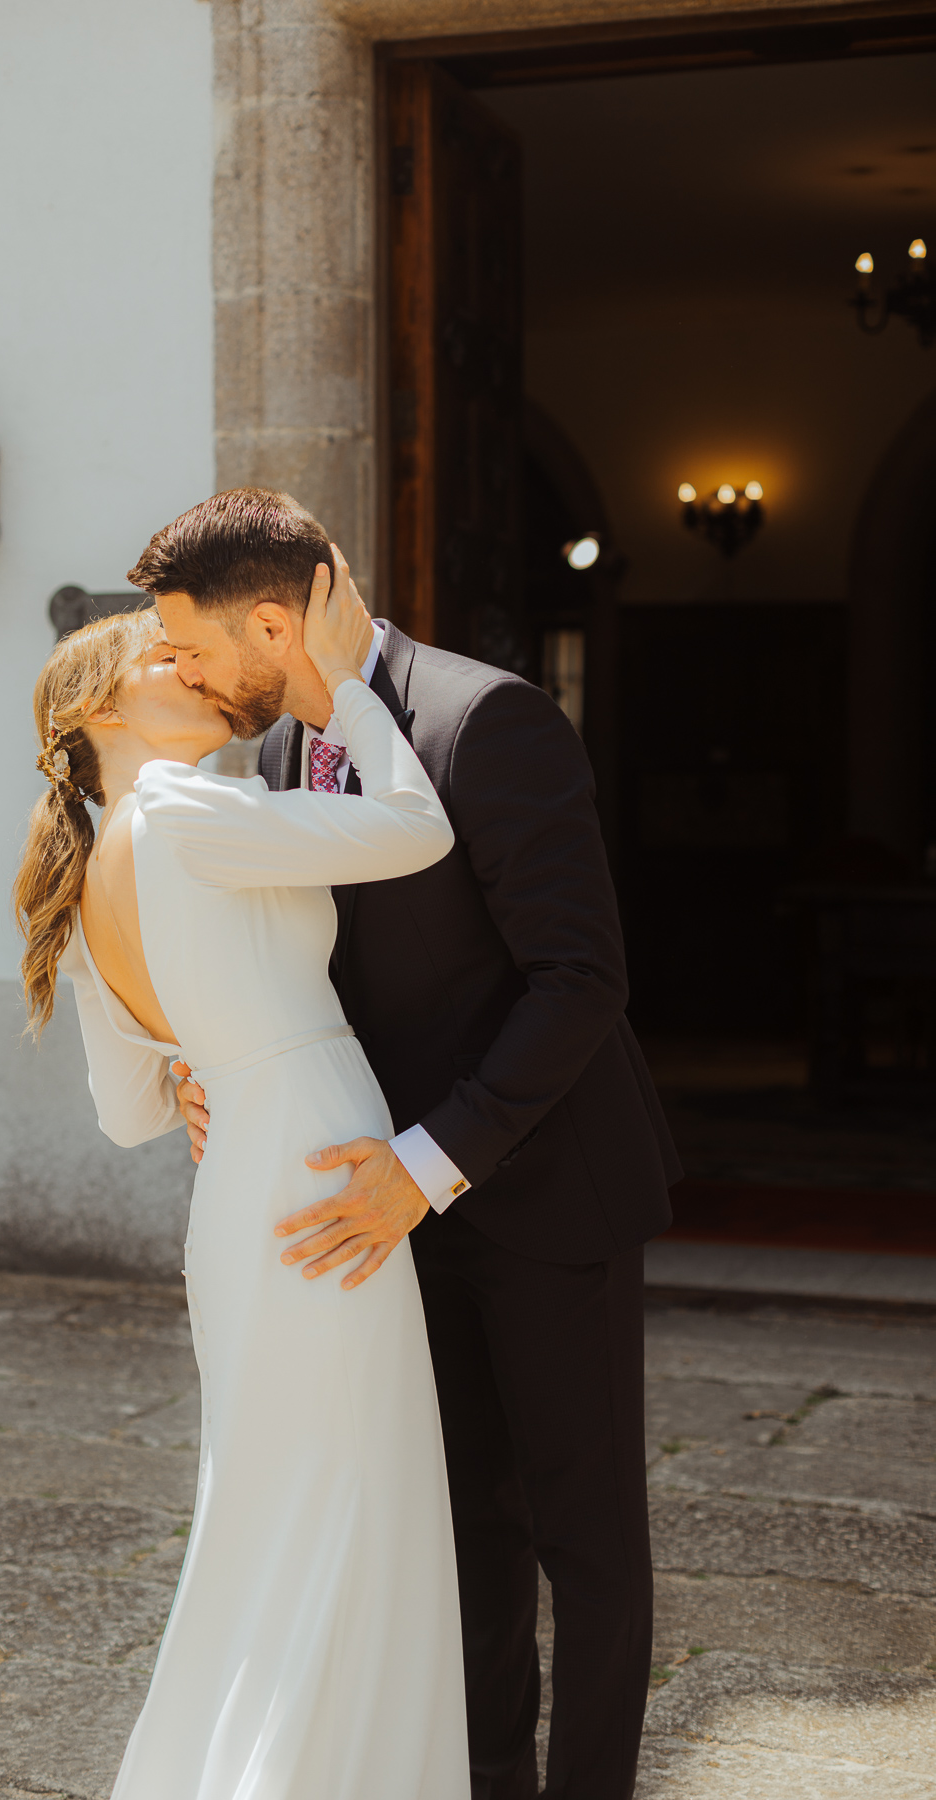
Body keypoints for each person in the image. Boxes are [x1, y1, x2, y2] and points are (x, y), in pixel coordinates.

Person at [148, 489, 682, 1800]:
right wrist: (196, 1070)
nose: (183, 673)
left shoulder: (483, 720)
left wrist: (430, 1164)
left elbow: (579, 979)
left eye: (193, 645)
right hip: (377, 1221)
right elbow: (280, 968)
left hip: (542, 1196)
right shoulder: (270, 764)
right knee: (465, 1538)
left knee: (588, 1549)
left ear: (274, 621)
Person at [12, 559, 468, 1799]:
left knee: (276, 1509)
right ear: (98, 713)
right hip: (315, 1172)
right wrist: (338, 691)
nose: (194, 668)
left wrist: (196, 1076)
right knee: (347, 1504)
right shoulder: (178, 808)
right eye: (160, 661)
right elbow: (415, 828)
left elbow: (122, 1112)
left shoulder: (98, 869)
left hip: (243, 1192)